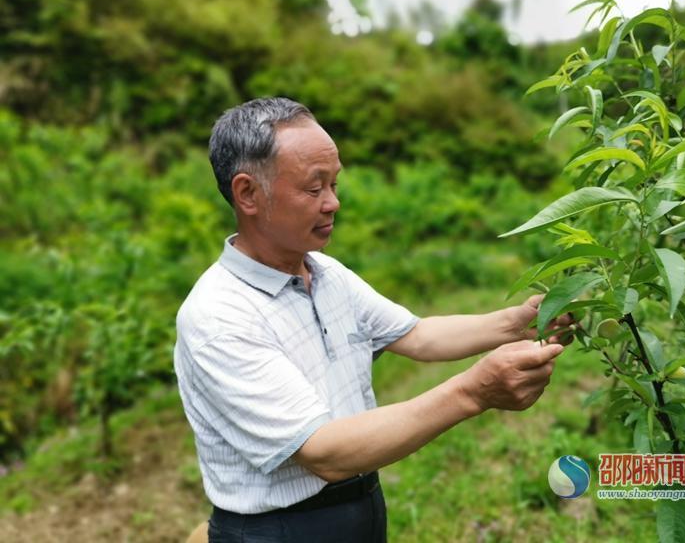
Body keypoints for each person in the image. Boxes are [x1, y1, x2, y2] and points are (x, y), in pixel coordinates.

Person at [174, 97, 574, 543]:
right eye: (314, 188)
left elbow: (417, 335)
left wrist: (517, 321)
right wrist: (474, 391)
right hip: (282, 529)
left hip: (360, 506)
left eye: (334, 185)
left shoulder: (325, 273)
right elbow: (324, 451)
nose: (333, 204)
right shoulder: (220, 315)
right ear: (248, 193)